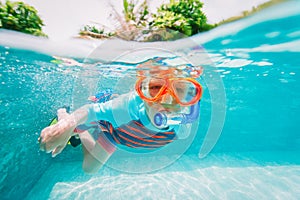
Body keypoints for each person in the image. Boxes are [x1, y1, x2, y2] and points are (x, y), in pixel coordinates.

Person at [38, 62, 203, 173]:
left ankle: (81, 133)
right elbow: (90, 111)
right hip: (113, 122)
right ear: (142, 92)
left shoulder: (183, 121)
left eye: (180, 90)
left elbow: (185, 129)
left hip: (115, 136)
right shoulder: (127, 107)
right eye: (155, 88)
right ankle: (63, 114)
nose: (167, 99)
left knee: (89, 169)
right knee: (74, 125)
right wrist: (63, 127)